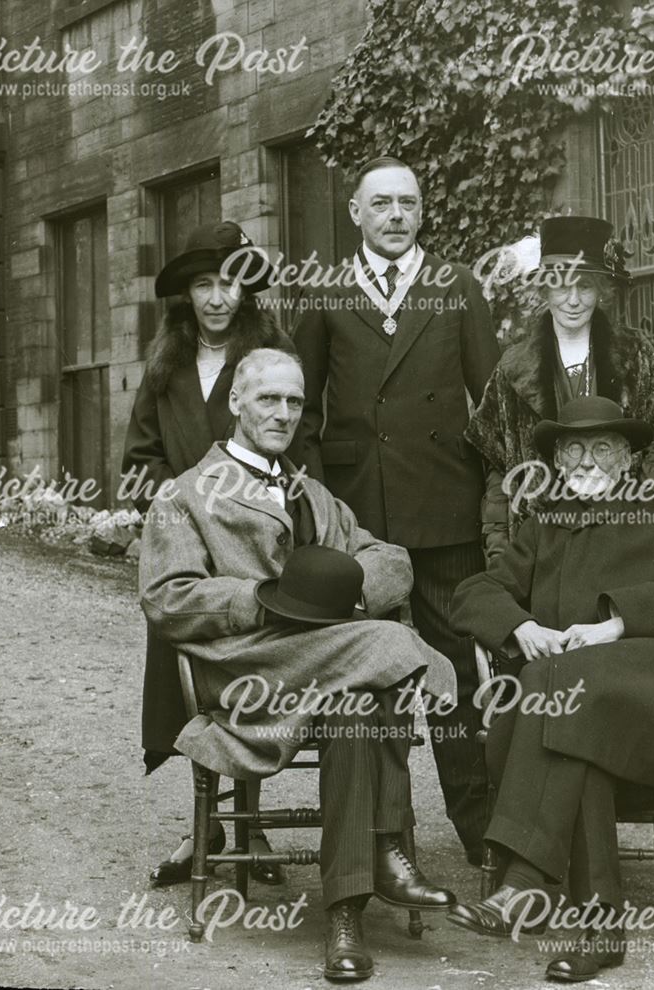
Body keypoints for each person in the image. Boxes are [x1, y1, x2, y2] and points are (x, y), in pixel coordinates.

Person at [139, 347, 458, 981]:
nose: (283, 414)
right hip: (249, 671)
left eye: (294, 402)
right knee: (386, 653)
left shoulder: (313, 493)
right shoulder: (186, 496)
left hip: (329, 667)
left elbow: (392, 559)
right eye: (268, 399)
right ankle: (389, 845)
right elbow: (165, 598)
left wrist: (345, 589)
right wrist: (259, 600)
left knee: (361, 698)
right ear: (235, 402)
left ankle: (346, 914)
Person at [447, 397, 654, 983]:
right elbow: (476, 593)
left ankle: (523, 883)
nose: (586, 460)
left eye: (602, 449)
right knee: (568, 707)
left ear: (627, 459)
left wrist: (617, 623)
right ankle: (600, 929)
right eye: (574, 450)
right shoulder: (544, 526)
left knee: (558, 686)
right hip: (570, 701)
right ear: (559, 462)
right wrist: (521, 625)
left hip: (649, 686)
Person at [292, 155, 501, 866]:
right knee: (367, 676)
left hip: (445, 509)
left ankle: (483, 835)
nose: (395, 216)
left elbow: (494, 402)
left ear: (422, 211)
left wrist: (498, 495)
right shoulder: (323, 295)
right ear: (355, 213)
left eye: (407, 203)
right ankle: (386, 841)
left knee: (458, 681)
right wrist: (323, 506)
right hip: (359, 519)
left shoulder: (458, 286)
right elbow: (302, 414)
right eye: (380, 204)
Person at [122, 220, 291, 887]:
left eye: (229, 282)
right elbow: (138, 462)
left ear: (246, 290)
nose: (217, 297)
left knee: (250, 684)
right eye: (203, 284)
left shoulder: (271, 359)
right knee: (192, 691)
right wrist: (175, 517)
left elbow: (296, 443)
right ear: (185, 296)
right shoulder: (165, 368)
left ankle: (249, 825)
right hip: (186, 559)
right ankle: (206, 826)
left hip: (257, 552)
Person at [465, 215, 654, 559]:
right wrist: (498, 542)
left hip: (621, 534)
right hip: (539, 539)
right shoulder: (512, 368)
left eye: (584, 286)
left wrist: (651, 503)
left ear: (600, 292)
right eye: (561, 285)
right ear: (545, 290)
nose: (572, 300)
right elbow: (496, 463)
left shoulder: (634, 353)